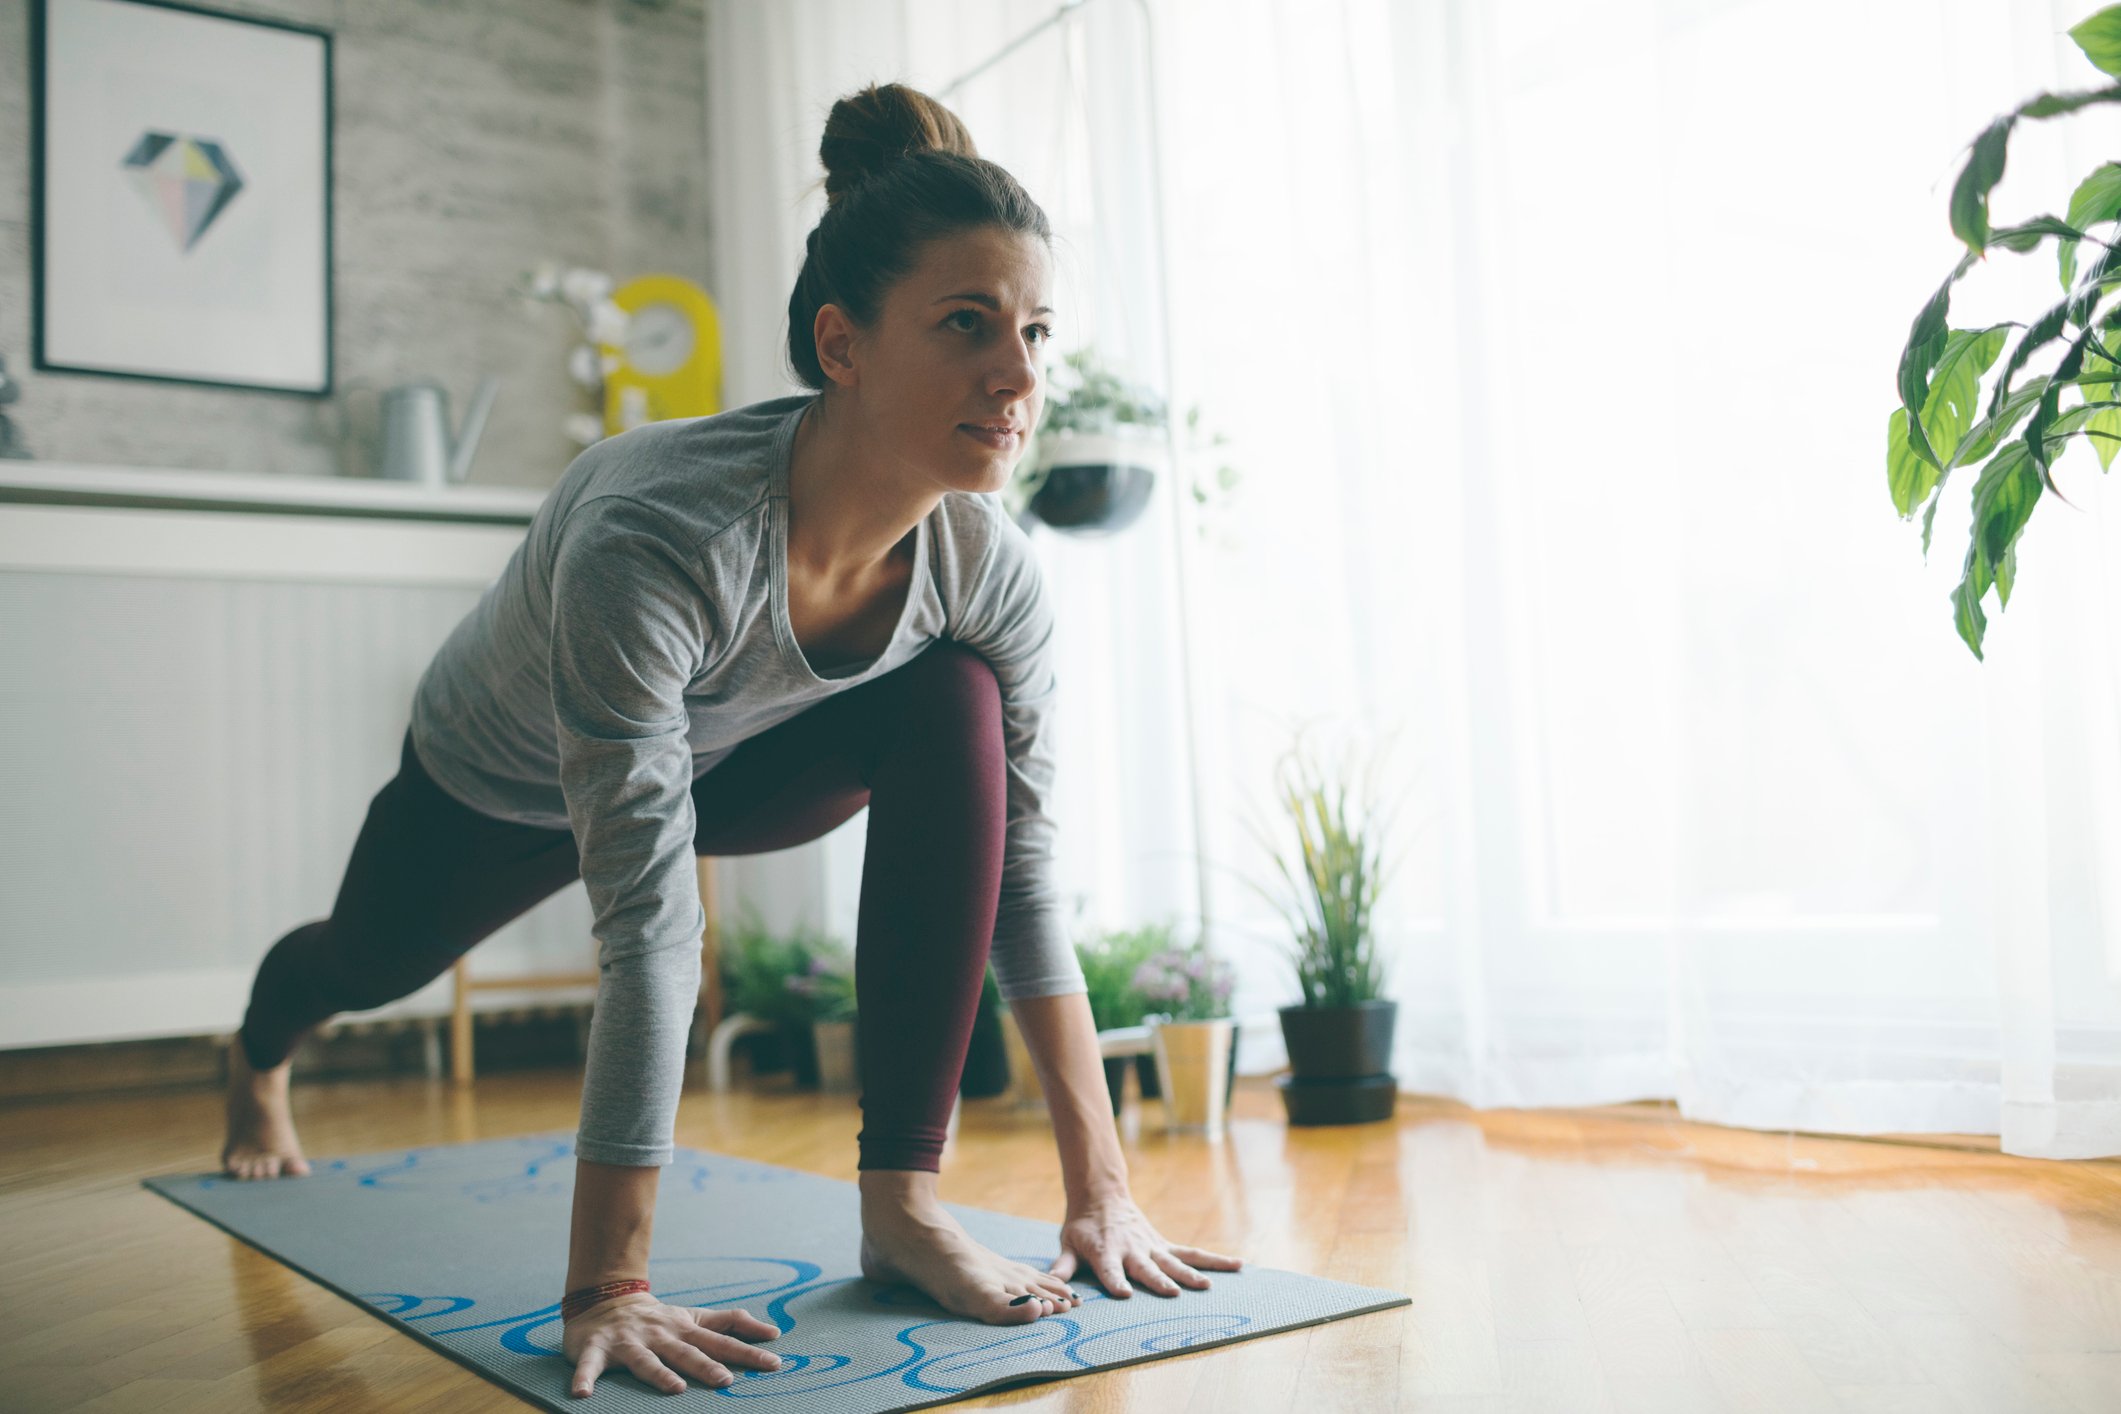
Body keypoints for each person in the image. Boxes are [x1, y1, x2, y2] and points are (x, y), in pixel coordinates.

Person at [217, 80, 1243, 1398]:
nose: (1021, 375)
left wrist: (1104, 1194)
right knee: (366, 960)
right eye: (967, 324)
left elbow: (1021, 873)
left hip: (742, 759)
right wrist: (609, 1285)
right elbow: (648, 925)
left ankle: (902, 1204)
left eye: (1036, 330)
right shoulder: (654, 534)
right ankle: (253, 1056)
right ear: (844, 344)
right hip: (502, 777)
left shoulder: (986, 563)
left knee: (953, 706)